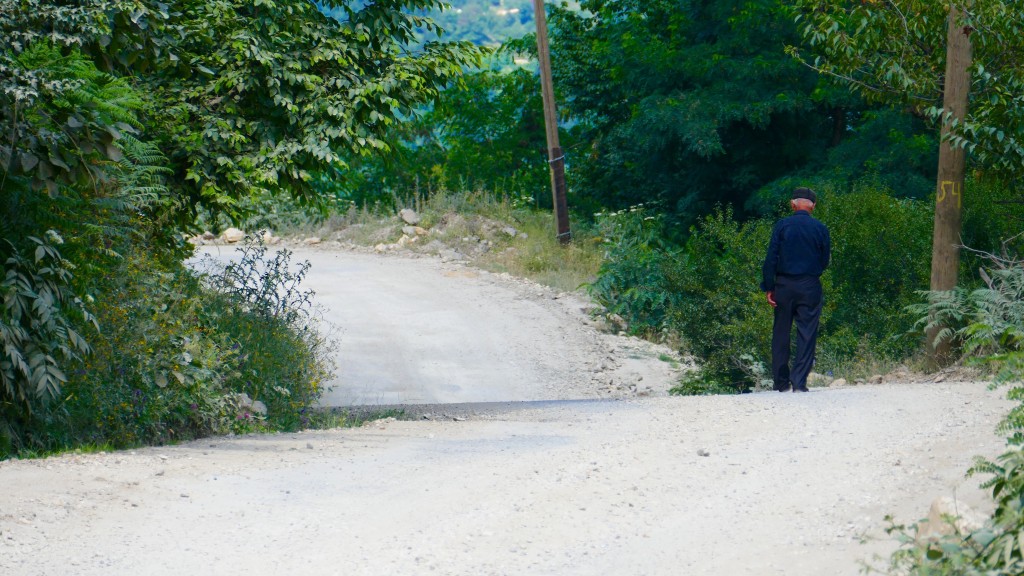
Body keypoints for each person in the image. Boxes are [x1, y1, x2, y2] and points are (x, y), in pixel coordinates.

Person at [760, 187, 831, 392]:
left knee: (781, 332)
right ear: (813, 206)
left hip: (783, 284)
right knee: (807, 332)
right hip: (809, 284)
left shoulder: (782, 226)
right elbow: (824, 260)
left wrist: (769, 287)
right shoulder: (820, 228)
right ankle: (799, 382)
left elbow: (770, 259)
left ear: (793, 204)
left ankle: (781, 383)